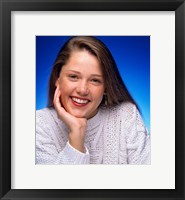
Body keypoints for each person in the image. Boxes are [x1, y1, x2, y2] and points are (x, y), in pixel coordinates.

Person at [36, 36, 150, 164]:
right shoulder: (39, 124)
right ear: (57, 78)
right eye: (74, 77)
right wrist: (77, 135)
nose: (83, 90)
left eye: (95, 80)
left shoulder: (126, 116)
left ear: (106, 86)